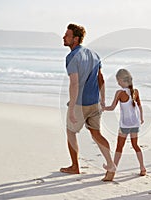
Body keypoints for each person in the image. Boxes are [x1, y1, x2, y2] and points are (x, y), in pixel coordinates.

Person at [60, 23, 116, 181]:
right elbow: (101, 78)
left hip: (80, 103)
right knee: (96, 133)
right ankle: (110, 165)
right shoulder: (94, 54)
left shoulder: (71, 57)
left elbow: (74, 83)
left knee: (71, 132)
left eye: (67, 35)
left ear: (75, 39)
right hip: (95, 102)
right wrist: (103, 100)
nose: (64, 37)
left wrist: (71, 107)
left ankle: (74, 166)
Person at [104, 69, 146, 176]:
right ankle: (142, 168)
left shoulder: (119, 93)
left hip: (125, 124)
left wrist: (102, 108)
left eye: (118, 81)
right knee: (135, 145)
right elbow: (140, 106)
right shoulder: (135, 91)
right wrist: (141, 118)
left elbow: (112, 107)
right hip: (135, 123)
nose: (118, 83)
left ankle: (113, 169)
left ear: (121, 80)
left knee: (119, 146)